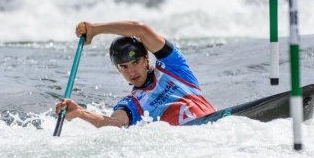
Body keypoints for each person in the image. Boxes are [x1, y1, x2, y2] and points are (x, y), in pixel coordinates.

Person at [55, 21, 215, 128]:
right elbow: (115, 123)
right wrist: (81, 113)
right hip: (190, 145)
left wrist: (96, 29)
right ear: (118, 69)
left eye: (135, 62)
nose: (131, 71)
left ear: (146, 60)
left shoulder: (174, 67)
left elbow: (141, 30)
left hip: (218, 127)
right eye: (124, 67)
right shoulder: (132, 103)